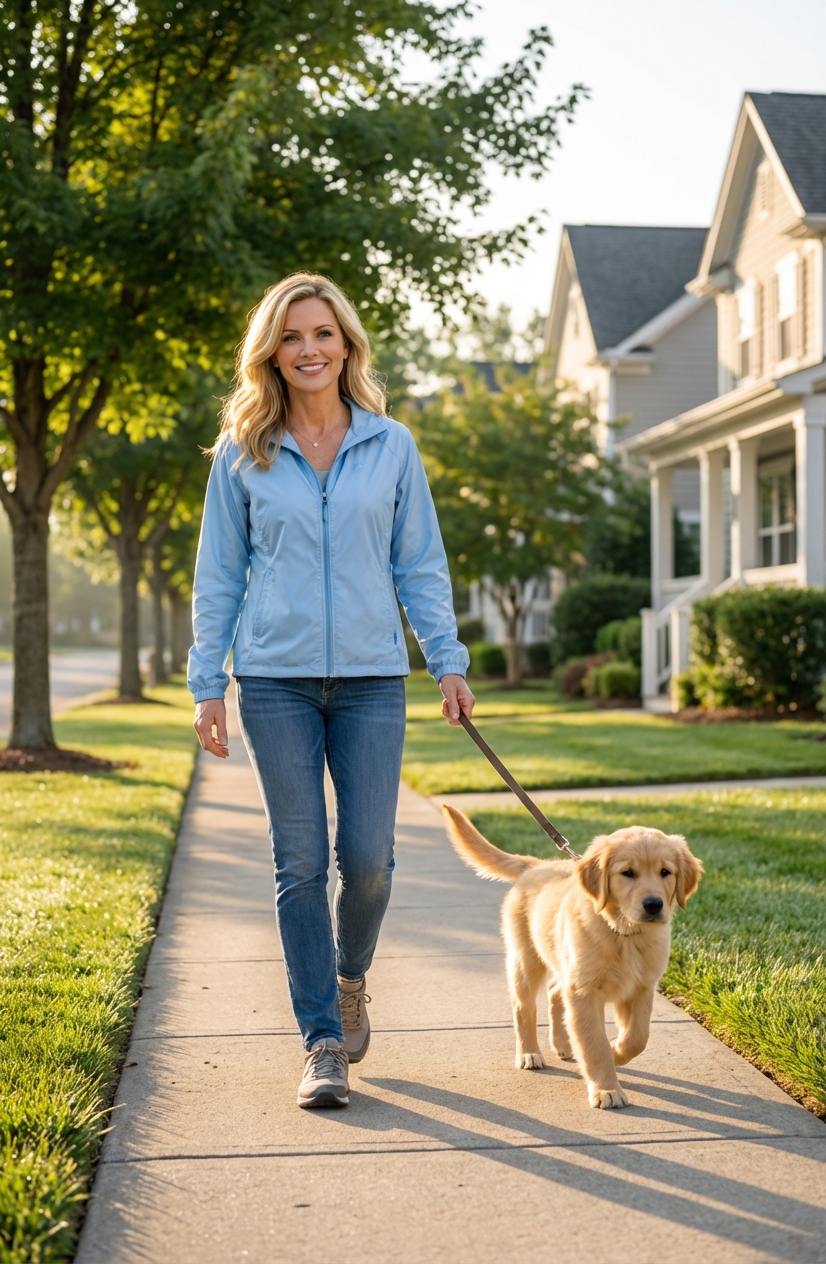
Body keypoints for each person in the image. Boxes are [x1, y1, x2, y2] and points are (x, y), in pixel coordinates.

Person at [189, 272, 475, 1109]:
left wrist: (446, 660)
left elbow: (419, 563)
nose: (309, 349)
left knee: (369, 863)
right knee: (301, 863)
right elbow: (218, 577)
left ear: (347, 344)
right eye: (291, 336)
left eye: (322, 334)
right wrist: (210, 683)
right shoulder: (245, 453)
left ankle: (350, 980)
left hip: (371, 680)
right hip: (273, 678)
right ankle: (321, 1040)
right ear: (270, 353)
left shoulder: (392, 446)